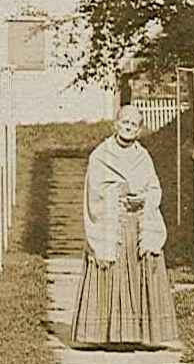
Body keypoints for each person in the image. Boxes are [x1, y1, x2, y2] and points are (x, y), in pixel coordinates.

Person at [70, 104, 181, 350]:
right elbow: (95, 191)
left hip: (137, 223)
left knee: (143, 265)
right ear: (115, 124)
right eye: (124, 123)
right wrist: (117, 194)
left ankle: (137, 332)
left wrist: (144, 198)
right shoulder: (101, 155)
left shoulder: (143, 157)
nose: (128, 128)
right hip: (113, 223)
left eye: (134, 125)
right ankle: (105, 334)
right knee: (110, 270)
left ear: (139, 130)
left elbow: (154, 187)